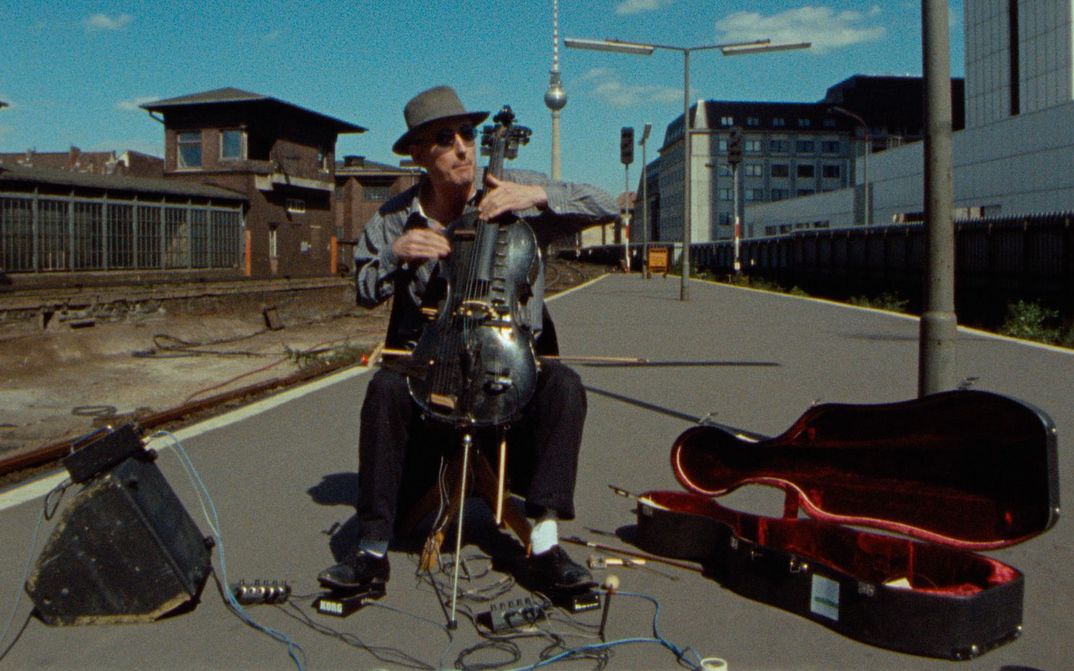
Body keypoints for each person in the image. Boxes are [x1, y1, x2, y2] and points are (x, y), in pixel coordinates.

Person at [318, 86, 617, 595]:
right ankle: (371, 551)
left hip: (508, 372)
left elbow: (607, 205)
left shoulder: (512, 188)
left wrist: (536, 196)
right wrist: (395, 254)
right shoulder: (393, 218)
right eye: (444, 138)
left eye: (467, 134)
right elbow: (363, 290)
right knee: (384, 388)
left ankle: (545, 543)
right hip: (434, 377)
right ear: (418, 154)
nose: (461, 147)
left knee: (564, 384)